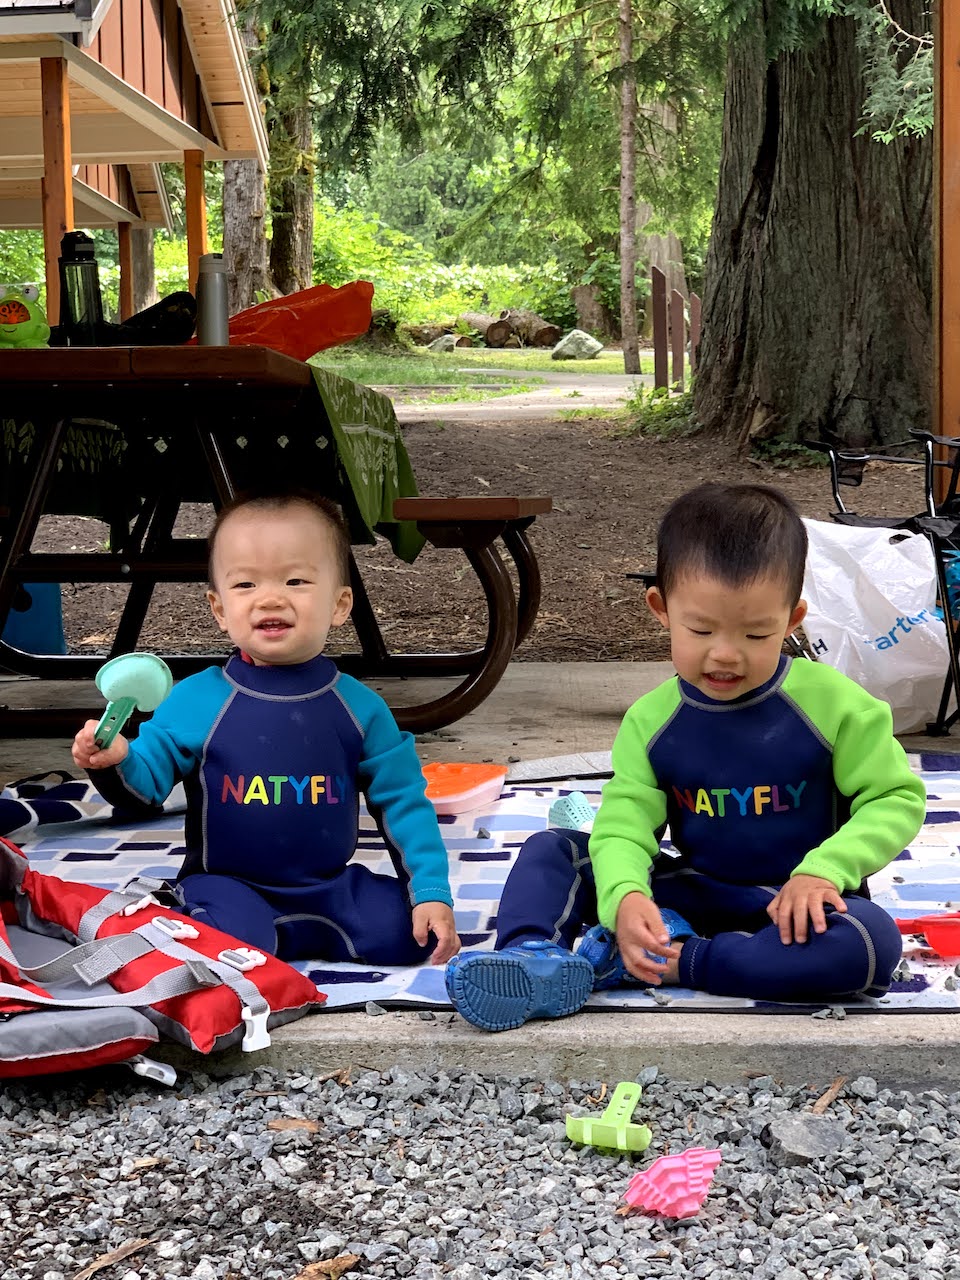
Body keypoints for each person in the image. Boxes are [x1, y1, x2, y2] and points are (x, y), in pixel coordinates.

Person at [446, 482, 925, 1031]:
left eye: (756, 633)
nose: (725, 654)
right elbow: (626, 826)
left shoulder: (837, 705)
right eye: (700, 629)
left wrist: (825, 871)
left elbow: (895, 799)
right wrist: (627, 897)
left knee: (870, 942)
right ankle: (534, 959)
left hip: (797, 905)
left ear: (792, 620)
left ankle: (678, 960)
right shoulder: (652, 720)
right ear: (662, 609)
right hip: (695, 888)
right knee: (554, 850)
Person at [72, 491, 460, 968]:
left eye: (296, 580)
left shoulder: (361, 708)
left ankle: (298, 932)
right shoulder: (197, 700)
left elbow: (404, 802)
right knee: (233, 946)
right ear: (219, 609)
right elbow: (145, 785)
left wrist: (430, 892)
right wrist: (116, 759)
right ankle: (194, 911)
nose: (271, 597)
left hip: (328, 887)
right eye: (245, 584)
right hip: (229, 885)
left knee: (412, 936)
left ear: (339, 605)